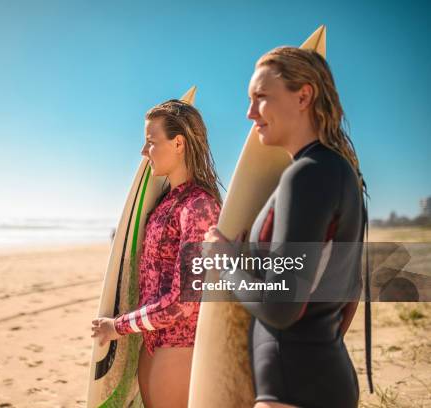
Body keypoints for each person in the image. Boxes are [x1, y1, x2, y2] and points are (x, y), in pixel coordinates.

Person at [204, 47, 368, 408]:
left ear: (303, 96)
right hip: (317, 375)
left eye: (261, 98)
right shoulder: (338, 172)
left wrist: (225, 262)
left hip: (296, 387)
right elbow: (347, 296)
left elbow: (281, 306)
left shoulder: (306, 176)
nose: (249, 113)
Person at [91, 99, 222, 408]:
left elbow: (183, 303)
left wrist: (118, 326)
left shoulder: (199, 207)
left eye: (150, 142)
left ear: (178, 143)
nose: (142, 151)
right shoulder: (166, 203)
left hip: (179, 347)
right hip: (151, 342)